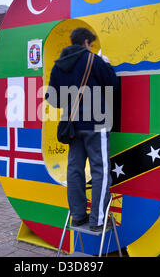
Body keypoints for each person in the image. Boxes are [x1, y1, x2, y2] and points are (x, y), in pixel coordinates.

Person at [45, 27, 119, 231]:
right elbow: (113, 84)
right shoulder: (94, 60)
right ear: (86, 42)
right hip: (97, 121)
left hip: (72, 124)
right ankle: (98, 220)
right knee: (100, 170)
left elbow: (51, 98)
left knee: (75, 170)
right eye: (92, 44)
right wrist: (107, 65)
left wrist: (70, 98)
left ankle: (78, 216)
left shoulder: (59, 65)